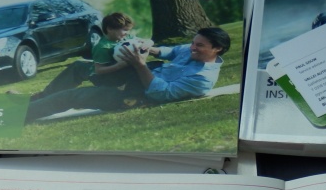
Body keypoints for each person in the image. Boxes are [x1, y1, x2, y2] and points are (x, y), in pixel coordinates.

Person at [24, 26, 231, 123]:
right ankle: (40, 99)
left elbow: (161, 93)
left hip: (137, 96)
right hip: (133, 74)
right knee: (79, 66)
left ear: (217, 49)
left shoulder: (203, 79)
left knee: (72, 96)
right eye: (193, 43)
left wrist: (140, 65)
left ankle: (18, 116)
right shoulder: (191, 50)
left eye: (199, 46)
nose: (192, 47)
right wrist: (148, 48)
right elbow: (171, 51)